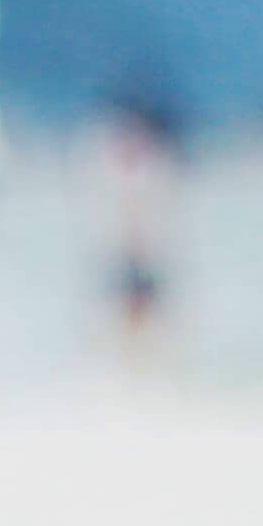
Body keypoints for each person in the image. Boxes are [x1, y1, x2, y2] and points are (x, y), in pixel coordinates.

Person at [95, 75, 185, 375]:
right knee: (124, 325)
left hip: (143, 255)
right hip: (127, 254)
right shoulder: (117, 162)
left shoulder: (150, 163)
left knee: (146, 327)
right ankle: (135, 379)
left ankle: (144, 380)